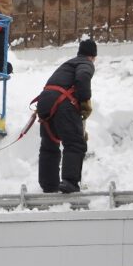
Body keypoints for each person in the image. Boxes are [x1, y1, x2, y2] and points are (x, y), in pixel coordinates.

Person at [37, 39, 97, 194]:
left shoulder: (68, 64)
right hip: (62, 103)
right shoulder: (86, 63)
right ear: (92, 56)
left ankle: (49, 186)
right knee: (75, 143)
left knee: (49, 145)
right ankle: (70, 182)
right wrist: (84, 101)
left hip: (44, 102)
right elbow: (83, 77)